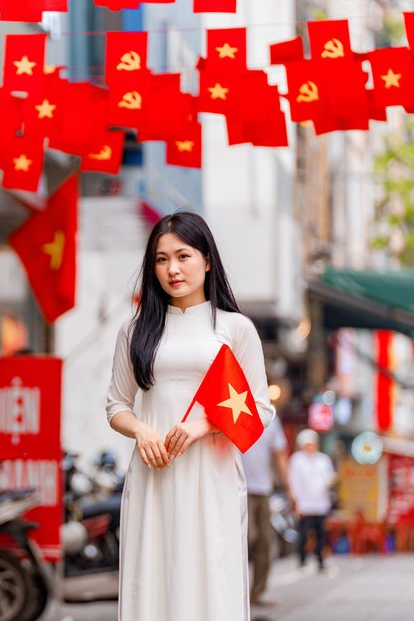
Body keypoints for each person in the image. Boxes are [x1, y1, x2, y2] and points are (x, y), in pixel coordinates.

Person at [106, 211, 275, 621]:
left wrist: (203, 426)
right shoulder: (136, 331)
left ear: (207, 260)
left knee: (212, 579)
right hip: (154, 474)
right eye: (161, 259)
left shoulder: (235, 329)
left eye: (183, 256)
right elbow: (116, 405)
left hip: (211, 477)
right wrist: (142, 430)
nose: (173, 269)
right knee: (152, 578)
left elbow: (260, 408)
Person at [242, 416, 291, 606]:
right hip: (239, 488)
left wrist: (290, 488)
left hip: (263, 490)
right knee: (245, 539)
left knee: (265, 543)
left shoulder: (270, 417)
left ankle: (257, 593)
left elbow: (279, 455)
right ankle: (235, 593)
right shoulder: (233, 404)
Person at [288, 429, 335, 572]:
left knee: (321, 534)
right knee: (304, 533)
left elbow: (329, 478)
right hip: (305, 504)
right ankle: (302, 560)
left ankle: (320, 560)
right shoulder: (297, 460)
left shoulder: (323, 460)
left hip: (321, 503)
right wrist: (296, 501)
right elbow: (294, 481)